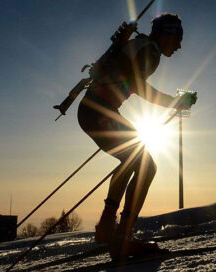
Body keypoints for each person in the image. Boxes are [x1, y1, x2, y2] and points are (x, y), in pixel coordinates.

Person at [77, 13, 195, 256]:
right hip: (101, 111)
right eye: (178, 38)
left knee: (132, 160)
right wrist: (174, 102)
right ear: (168, 34)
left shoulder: (139, 43)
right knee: (146, 165)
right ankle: (122, 236)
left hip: (93, 110)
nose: (180, 46)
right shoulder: (150, 51)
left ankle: (108, 226)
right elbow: (137, 85)